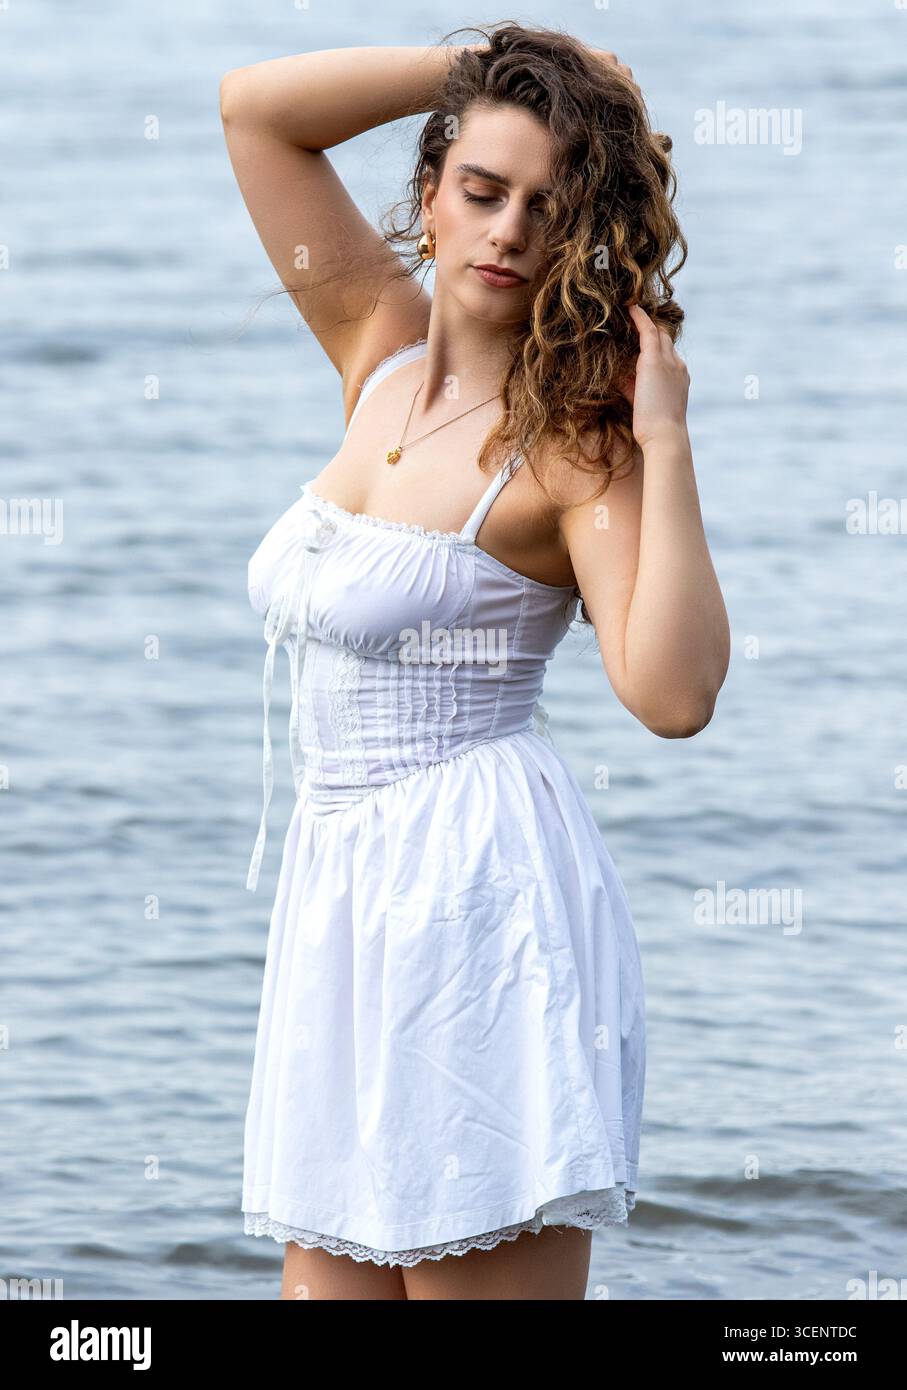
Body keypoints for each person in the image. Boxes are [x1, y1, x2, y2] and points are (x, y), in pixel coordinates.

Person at [220, 21, 729, 1301]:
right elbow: (256, 111)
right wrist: (495, 56)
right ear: (431, 194)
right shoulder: (376, 349)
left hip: (481, 898)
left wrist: (664, 448)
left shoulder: (573, 442)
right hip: (341, 895)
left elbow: (671, 697)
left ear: (582, 235)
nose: (505, 231)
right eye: (482, 190)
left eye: (547, 208)